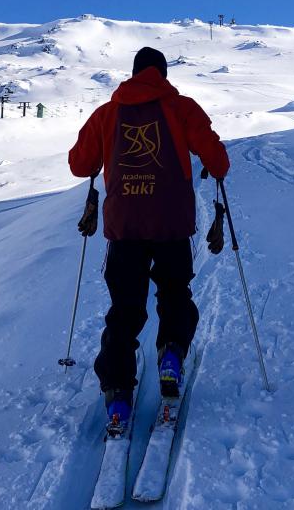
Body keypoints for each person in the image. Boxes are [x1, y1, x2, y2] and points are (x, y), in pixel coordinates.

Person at [68, 47, 230, 422]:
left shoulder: (108, 113)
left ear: (134, 73)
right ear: (163, 75)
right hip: (171, 222)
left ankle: (117, 393)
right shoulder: (181, 107)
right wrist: (214, 167)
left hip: (124, 225)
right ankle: (171, 354)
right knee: (174, 292)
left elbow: (80, 165)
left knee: (125, 307)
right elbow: (217, 159)